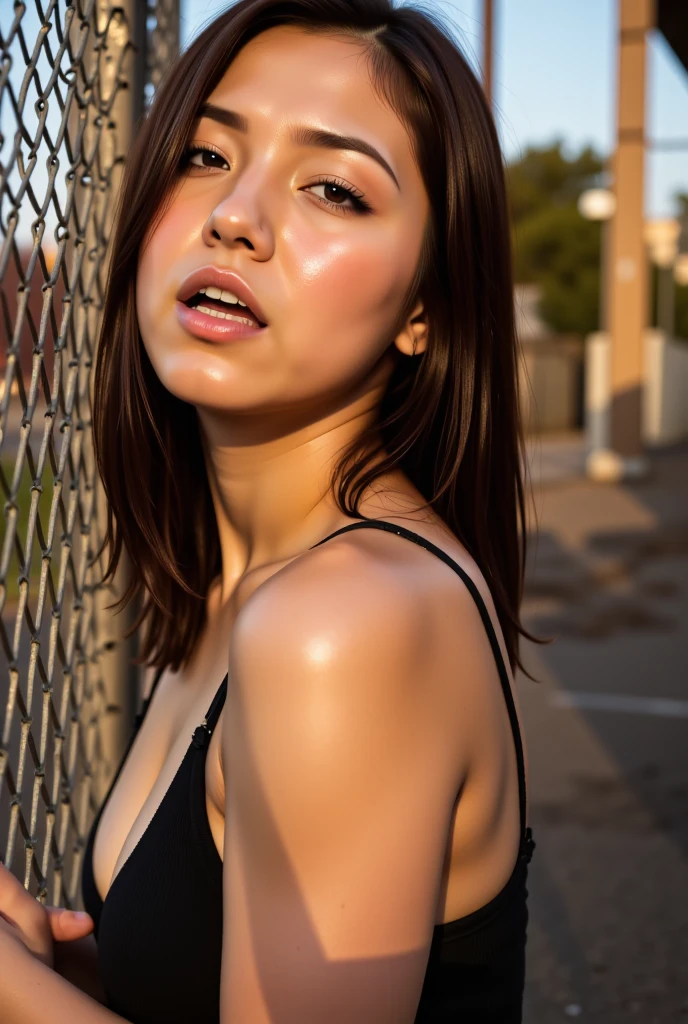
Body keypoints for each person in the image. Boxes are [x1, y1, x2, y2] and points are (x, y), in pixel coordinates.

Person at [0, 1, 539, 1020]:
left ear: (426, 306)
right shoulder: (232, 583)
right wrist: (55, 968)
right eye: (204, 155)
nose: (235, 215)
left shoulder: (346, 621)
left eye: (333, 188)